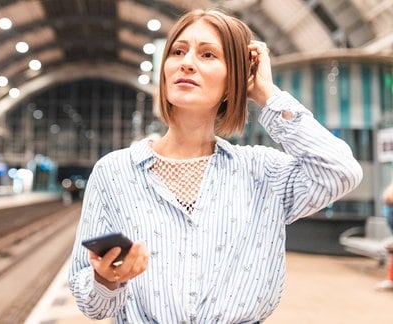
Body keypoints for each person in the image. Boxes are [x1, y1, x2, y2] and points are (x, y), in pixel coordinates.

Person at [69, 8, 363, 323]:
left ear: (233, 79)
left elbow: (340, 171)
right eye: (178, 51)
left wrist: (266, 94)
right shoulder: (114, 172)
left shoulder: (262, 172)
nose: (186, 62)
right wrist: (106, 279)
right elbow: (94, 306)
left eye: (208, 54)